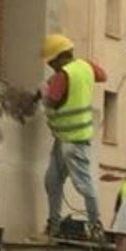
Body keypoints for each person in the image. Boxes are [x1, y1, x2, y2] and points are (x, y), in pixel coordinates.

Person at [38, 32, 107, 240]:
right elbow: (102, 75)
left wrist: (43, 91)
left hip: (73, 141)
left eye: (51, 61)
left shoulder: (62, 75)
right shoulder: (85, 66)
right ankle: (54, 225)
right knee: (52, 180)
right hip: (66, 139)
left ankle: (95, 225)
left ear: (60, 57)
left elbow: (52, 101)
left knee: (83, 184)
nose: (50, 65)